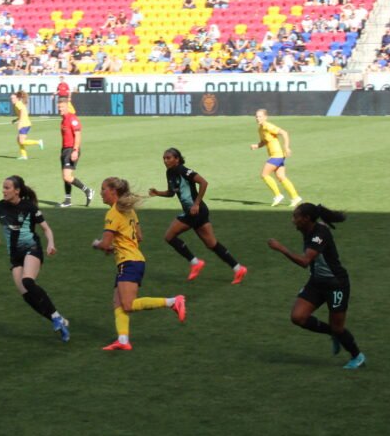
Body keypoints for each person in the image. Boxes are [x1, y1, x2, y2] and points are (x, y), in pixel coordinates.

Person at [267, 203, 366, 369]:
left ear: (306, 219)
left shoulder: (319, 234)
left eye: (296, 217)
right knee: (298, 317)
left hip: (336, 284)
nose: (293, 221)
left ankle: (358, 356)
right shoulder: (308, 228)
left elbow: (305, 261)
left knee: (338, 327)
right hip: (317, 282)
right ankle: (332, 333)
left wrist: (281, 248)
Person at [93, 177, 186, 351]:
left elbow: (105, 244)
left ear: (113, 191)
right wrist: (116, 247)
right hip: (133, 260)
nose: (101, 192)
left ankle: (173, 302)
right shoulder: (129, 210)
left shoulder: (113, 213)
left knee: (128, 304)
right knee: (118, 303)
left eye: (103, 189)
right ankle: (122, 340)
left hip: (129, 262)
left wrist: (97, 243)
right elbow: (139, 237)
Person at [0, 175, 69, 342]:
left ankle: (56, 317)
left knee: (28, 282)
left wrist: (50, 244)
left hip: (32, 249)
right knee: (27, 295)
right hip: (14, 256)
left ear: (17, 191)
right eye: (3, 187)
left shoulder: (29, 207)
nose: (4, 190)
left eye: (7, 188)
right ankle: (58, 319)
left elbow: (46, 229)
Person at [148, 148, 247, 284]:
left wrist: (196, 204)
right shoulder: (170, 173)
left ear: (177, 159)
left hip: (195, 212)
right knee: (212, 244)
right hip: (196, 212)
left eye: (169, 158)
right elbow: (172, 192)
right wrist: (158, 193)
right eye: (164, 158)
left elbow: (203, 182)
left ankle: (195, 262)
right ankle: (238, 268)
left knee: (169, 236)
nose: (165, 160)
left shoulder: (184, 171)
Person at [250, 108, 302, 207]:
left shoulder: (268, 126)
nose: (257, 118)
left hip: (277, 155)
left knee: (264, 175)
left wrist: (286, 147)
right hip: (277, 156)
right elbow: (264, 141)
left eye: (260, 116)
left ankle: (278, 195)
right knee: (281, 177)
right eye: (256, 116)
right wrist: (256, 146)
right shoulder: (260, 129)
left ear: (265, 117)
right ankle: (295, 197)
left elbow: (284, 133)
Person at [58, 99, 93, 208]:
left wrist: (75, 150)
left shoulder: (72, 119)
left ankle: (88, 191)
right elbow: (65, 138)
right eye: (59, 107)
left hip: (71, 150)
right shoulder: (62, 120)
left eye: (62, 107)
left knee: (67, 176)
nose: (60, 109)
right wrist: (62, 152)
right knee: (65, 176)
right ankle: (67, 200)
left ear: (67, 107)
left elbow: (78, 135)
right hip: (65, 150)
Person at [10, 90, 43, 160]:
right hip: (26, 123)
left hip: (24, 124)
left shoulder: (18, 104)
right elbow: (24, 113)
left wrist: (20, 123)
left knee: (21, 141)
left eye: (13, 98)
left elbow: (22, 112)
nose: (11, 100)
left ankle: (38, 142)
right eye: (11, 98)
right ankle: (24, 156)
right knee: (19, 140)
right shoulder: (19, 103)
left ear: (17, 98)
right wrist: (16, 120)